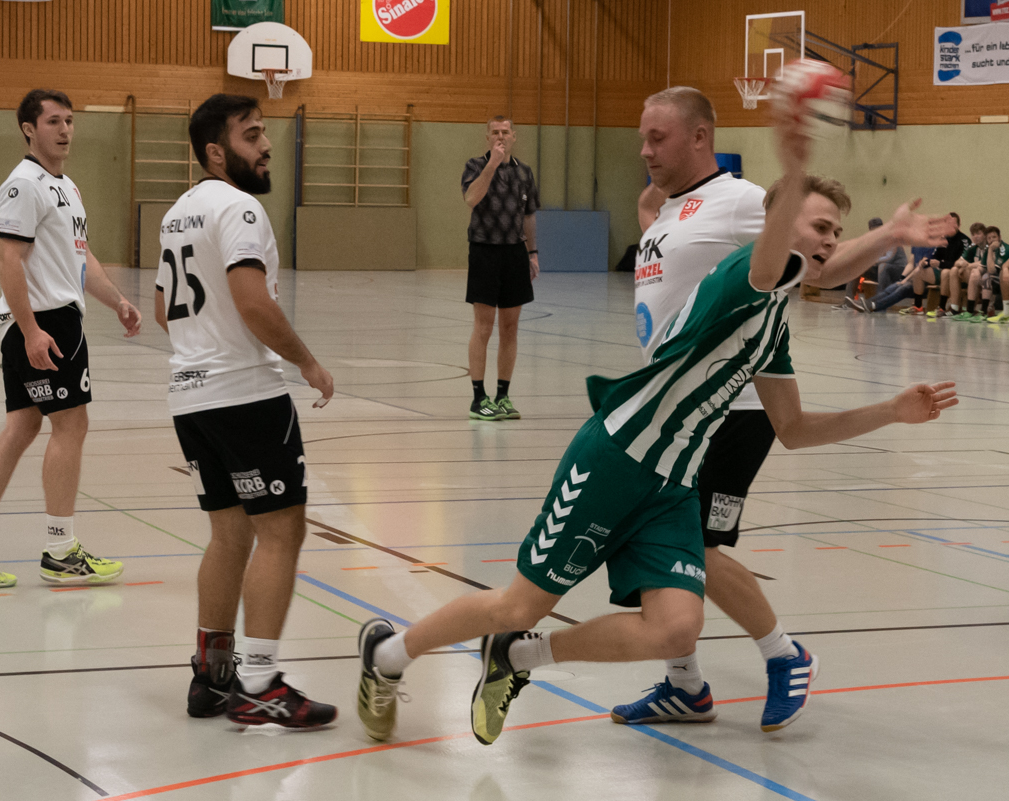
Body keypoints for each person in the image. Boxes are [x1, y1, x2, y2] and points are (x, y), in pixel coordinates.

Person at [352, 97, 958, 748]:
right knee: (518, 604)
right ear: (780, 225)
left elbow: (796, 428)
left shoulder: (771, 328)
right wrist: (795, 166)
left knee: (674, 629)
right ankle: (387, 654)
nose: (831, 242)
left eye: (838, 230)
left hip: (672, 482)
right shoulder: (748, 276)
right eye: (819, 226)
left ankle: (518, 657)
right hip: (617, 458)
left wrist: (891, 412)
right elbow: (794, 262)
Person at [623, 86, 950, 731]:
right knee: (658, 543)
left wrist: (887, 236)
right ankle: (684, 684)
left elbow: (817, 267)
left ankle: (783, 655)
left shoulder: (743, 200)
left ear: (699, 137)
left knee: (691, 546)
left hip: (731, 409)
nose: (645, 150)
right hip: (673, 410)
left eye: (657, 138)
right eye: (643, 138)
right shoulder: (669, 209)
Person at [153, 94, 337, 729]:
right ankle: (259, 682)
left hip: (191, 399)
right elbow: (253, 301)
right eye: (251, 135)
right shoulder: (240, 208)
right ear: (216, 152)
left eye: (263, 133)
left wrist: (204, 342)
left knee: (229, 533)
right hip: (246, 397)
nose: (266, 145)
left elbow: (163, 310)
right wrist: (307, 362)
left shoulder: (177, 214)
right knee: (282, 532)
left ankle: (212, 675)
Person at [0, 90, 137, 589]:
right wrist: (31, 331)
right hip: (46, 322)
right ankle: (61, 550)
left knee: (21, 427)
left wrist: (117, 300)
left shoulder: (65, 186)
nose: (65, 129)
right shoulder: (23, 184)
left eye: (69, 120)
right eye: (53, 121)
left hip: (46, 319)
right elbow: (9, 260)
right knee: (72, 426)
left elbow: (80, 257)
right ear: (29, 129)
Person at [461, 115, 540, 421]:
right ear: (488, 137)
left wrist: (532, 253)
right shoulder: (474, 166)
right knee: (484, 325)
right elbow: (471, 198)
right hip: (485, 251)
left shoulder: (524, 172)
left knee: (510, 327)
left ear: (514, 136)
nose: (500, 137)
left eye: (505, 132)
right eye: (495, 132)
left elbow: (529, 215)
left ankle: (503, 396)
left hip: (514, 253)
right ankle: (478, 398)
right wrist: (492, 165)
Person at [908, 212, 971, 316]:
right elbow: (934, 256)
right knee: (918, 271)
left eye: (953, 224)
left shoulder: (964, 241)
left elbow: (960, 263)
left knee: (946, 272)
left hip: (957, 273)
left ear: (958, 225)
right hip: (941, 269)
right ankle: (918, 307)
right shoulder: (942, 239)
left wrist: (940, 264)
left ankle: (942, 307)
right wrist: (926, 262)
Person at [837, 217, 908, 308]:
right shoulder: (873, 242)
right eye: (874, 230)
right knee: (857, 268)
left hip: (898, 272)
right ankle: (848, 302)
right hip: (881, 271)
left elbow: (889, 258)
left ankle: (879, 303)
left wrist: (871, 261)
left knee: (883, 266)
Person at [937, 222, 986, 319]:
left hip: (987, 276)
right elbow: (957, 262)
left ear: (984, 234)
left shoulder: (988, 246)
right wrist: (962, 264)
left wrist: (967, 265)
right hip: (974, 274)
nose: (975, 237)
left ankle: (970, 309)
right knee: (954, 270)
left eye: (978, 233)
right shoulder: (973, 247)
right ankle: (954, 308)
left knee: (973, 274)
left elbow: (984, 263)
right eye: (973, 234)